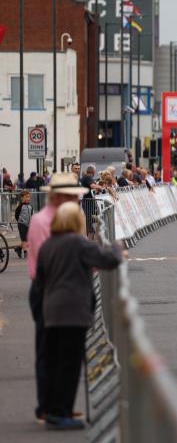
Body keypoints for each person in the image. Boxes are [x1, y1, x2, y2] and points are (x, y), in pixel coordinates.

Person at [34, 202, 123, 430]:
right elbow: (108, 260)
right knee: (70, 363)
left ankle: (54, 408)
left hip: (52, 308)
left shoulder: (48, 246)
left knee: (56, 361)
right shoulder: (78, 243)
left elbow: (41, 280)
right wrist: (116, 247)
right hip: (73, 309)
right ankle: (61, 412)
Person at [26, 173, 88, 424]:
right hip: (48, 288)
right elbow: (48, 262)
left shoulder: (64, 218)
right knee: (49, 350)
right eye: (72, 195)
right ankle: (48, 407)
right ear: (61, 196)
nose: (76, 198)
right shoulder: (43, 221)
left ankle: (58, 405)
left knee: (63, 352)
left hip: (56, 287)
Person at [14, 189, 33, 258]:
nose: (28, 198)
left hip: (28, 224)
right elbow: (16, 215)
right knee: (24, 239)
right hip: (21, 224)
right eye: (26, 197)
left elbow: (31, 215)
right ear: (22, 198)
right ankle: (26, 252)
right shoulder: (20, 206)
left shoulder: (30, 206)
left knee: (27, 239)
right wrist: (20, 221)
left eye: (29, 197)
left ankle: (18, 248)